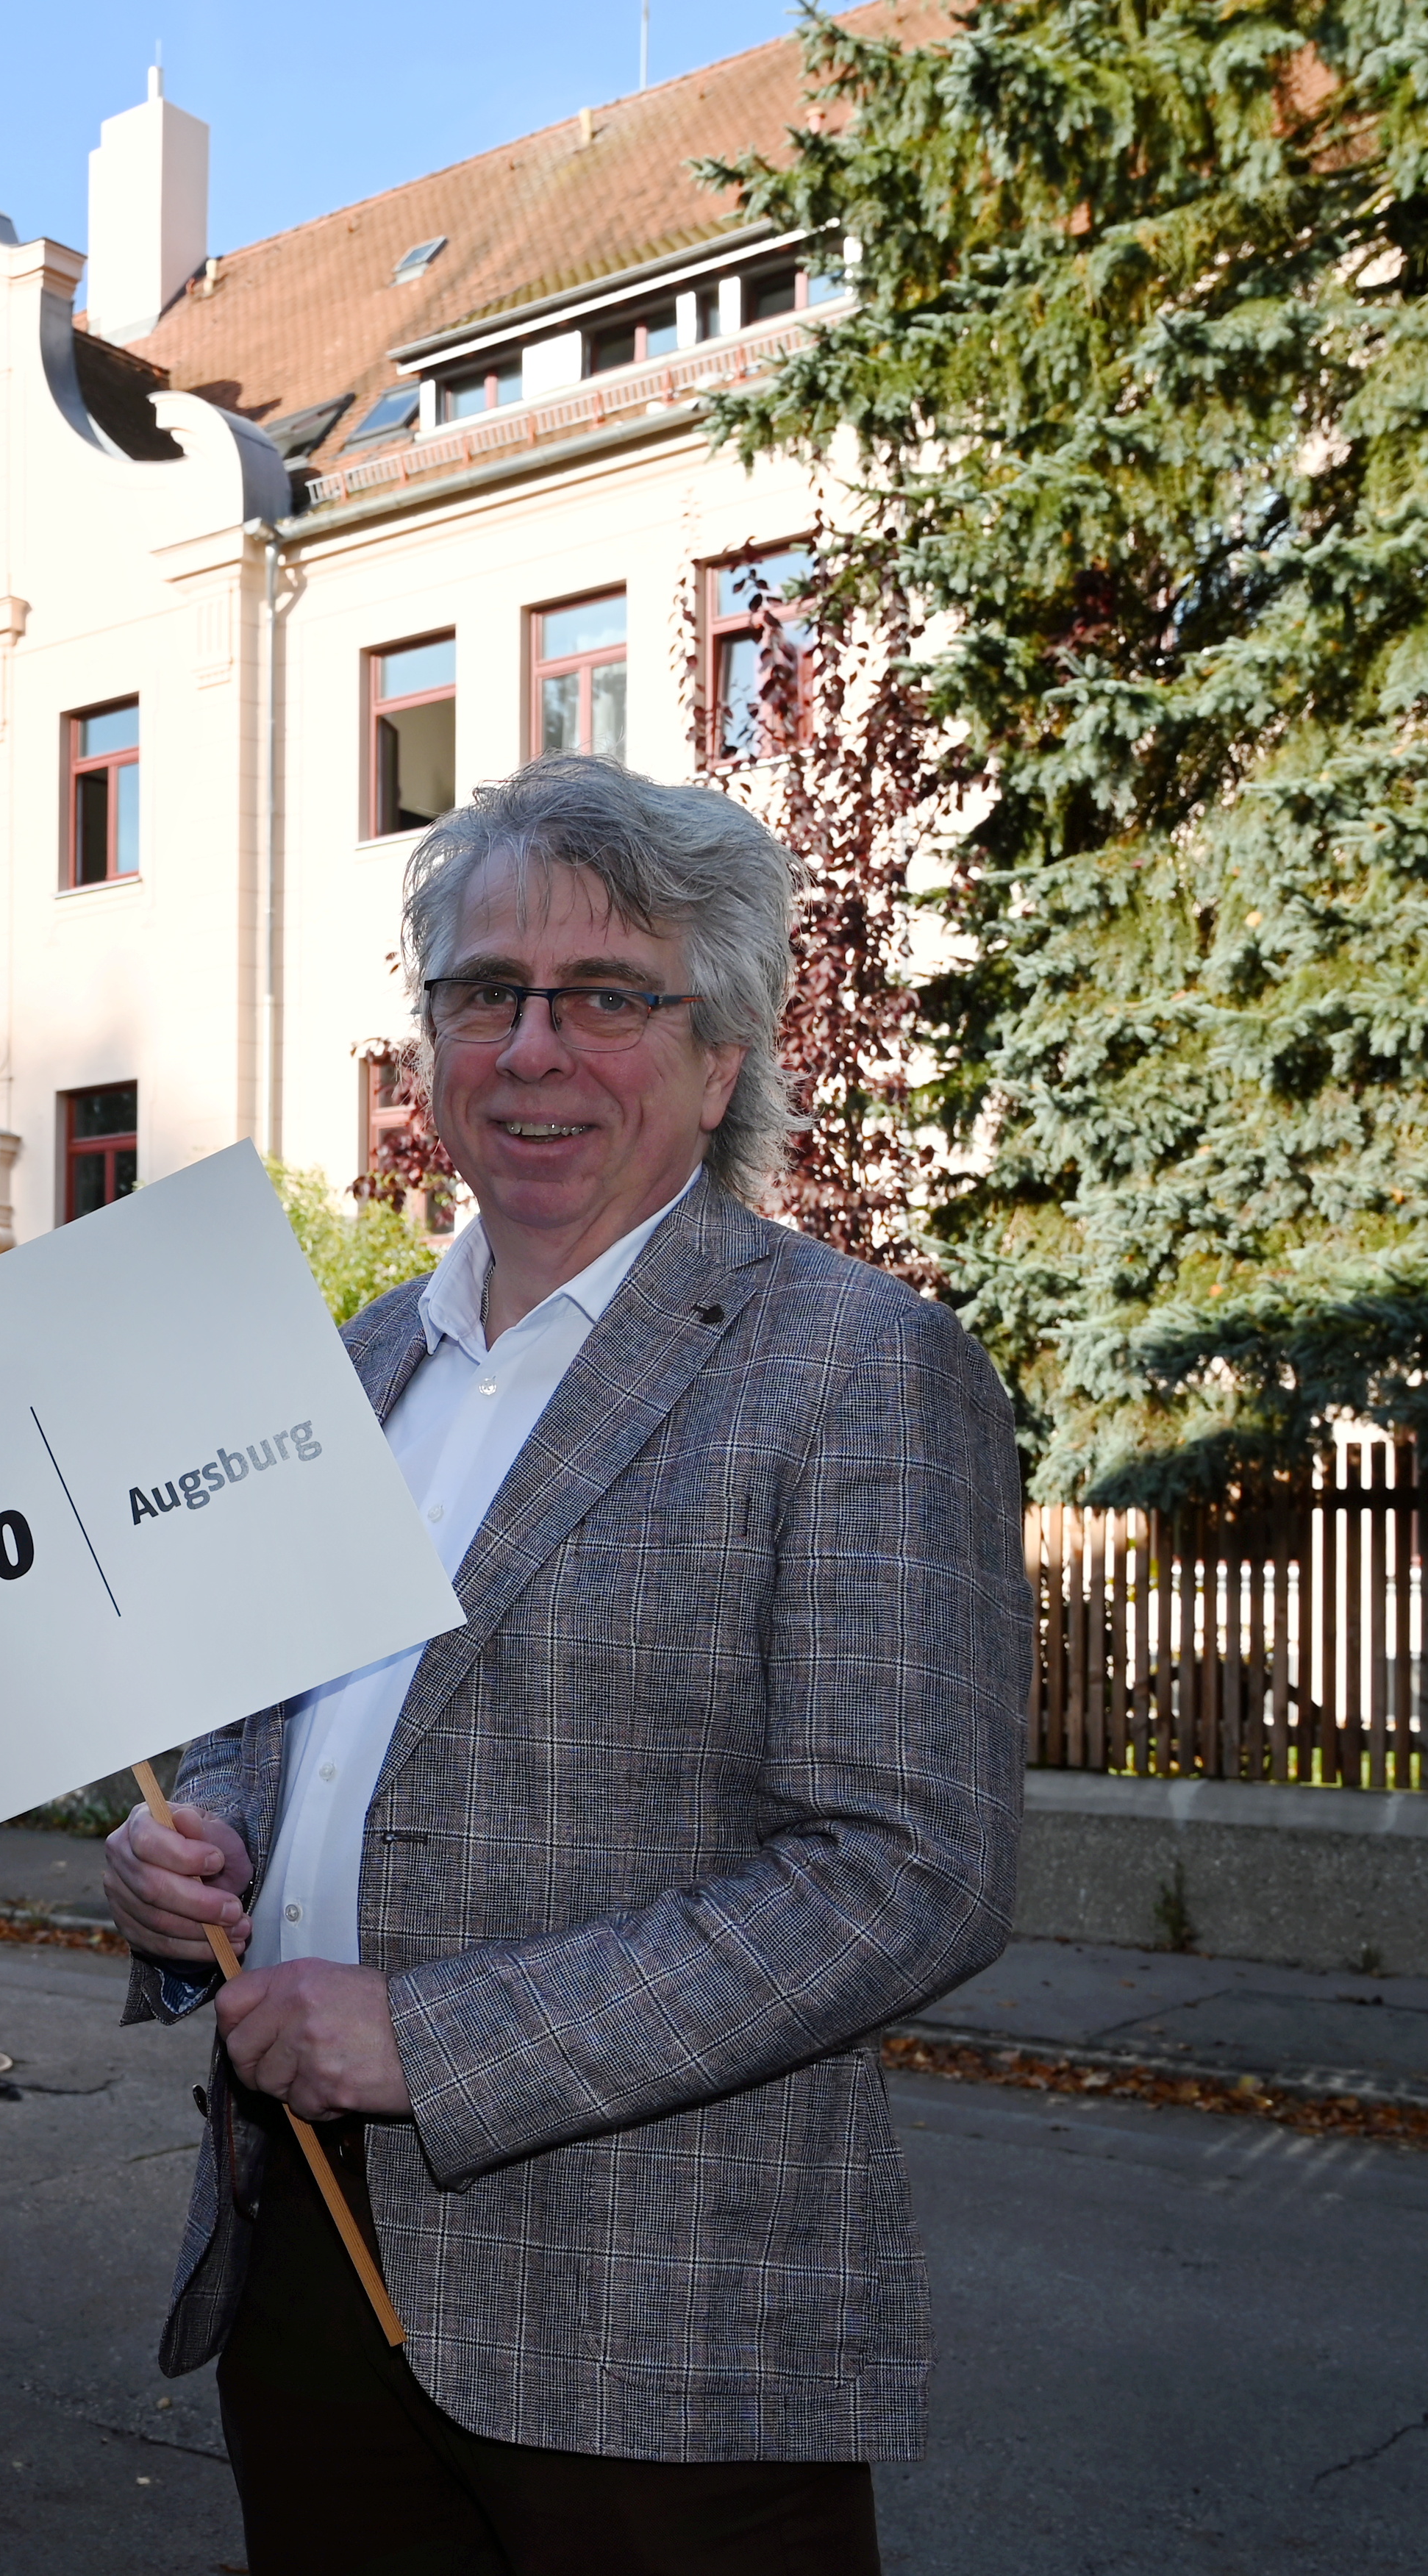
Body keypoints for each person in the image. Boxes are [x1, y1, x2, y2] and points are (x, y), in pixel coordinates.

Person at [104, 755, 1027, 2575]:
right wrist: (179, 1850)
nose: (529, 1049)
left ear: (718, 1055)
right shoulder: (352, 1365)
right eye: (481, 994)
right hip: (300, 2254)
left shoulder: (853, 1367)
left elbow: (906, 1872)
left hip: (655, 2329)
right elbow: (254, 1729)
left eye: (604, 997)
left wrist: (432, 2041)